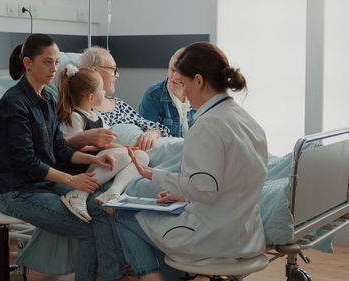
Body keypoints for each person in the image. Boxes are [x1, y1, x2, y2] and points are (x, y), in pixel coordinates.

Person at [115, 42, 268, 281]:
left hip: (214, 238)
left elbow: (205, 191)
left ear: (198, 80)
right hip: (246, 233)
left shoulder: (206, 125)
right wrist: (186, 196)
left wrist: (152, 174)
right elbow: (225, 183)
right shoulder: (244, 118)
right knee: (160, 224)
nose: (183, 93)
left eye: (184, 84)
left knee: (124, 216)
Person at [0, 33, 128, 281]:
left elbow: (58, 148)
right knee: (88, 228)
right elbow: (26, 162)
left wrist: (93, 160)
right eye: (47, 62)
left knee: (102, 211)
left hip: (44, 186)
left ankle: (112, 276)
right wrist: (71, 181)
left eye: (56, 62)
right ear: (27, 63)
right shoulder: (13, 103)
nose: (54, 68)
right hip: (17, 192)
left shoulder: (47, 99)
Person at [57, 64, 150, 221]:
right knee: (124, 155)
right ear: (91, 97)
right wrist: (117, 150)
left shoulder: (97, 116)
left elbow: (107, 144)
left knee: (141, 156)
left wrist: (126, 148)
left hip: (99, 159)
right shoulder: (75, 117)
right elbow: (71, 148)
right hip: (80, 166)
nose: (105, 92)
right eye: (102, 90)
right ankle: (79, 193)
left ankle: (113, 192)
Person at [65, 46, 170, 151]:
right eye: (113, 70)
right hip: (131, 152)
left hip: (153, 145)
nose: (117, 75)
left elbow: (155, 126)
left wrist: (152, 134)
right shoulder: (81, 114)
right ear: (95, 71)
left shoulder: (119, 104)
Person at [139, 48, 195, 138]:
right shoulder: (153, 95)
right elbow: (147, 135)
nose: (174, 76)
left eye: (181, 72)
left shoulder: (199, 96)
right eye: (172, 70)